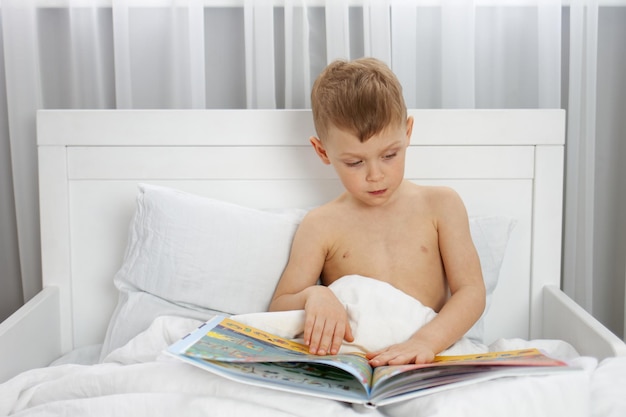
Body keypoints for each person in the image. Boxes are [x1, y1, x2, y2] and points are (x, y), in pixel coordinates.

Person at [268, 57, 485, 366]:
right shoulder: (321, 224)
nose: (375, 175)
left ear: (408, 132)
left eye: (389, 155)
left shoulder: (441, 205)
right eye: (355, 162)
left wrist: (425, 341)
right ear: (322, 151)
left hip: (428, 353)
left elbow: (471, 292)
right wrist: (314, 296)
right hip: (352, 358)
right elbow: (279, 306)